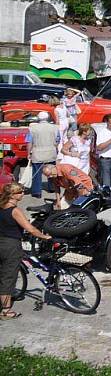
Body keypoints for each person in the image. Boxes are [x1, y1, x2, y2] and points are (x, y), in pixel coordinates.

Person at [0, 182, 52, 319]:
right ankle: (6, 311)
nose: (23, 194)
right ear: (12, 195)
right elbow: (31, 229)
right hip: (11, 245)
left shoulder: (1, 207)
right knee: (9, 277)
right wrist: (45, 237)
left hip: (1, 242)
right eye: (20, 192)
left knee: (2, 273)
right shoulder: (14, 211)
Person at [24, 111, 60, 198]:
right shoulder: (55, 128)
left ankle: (37, 192)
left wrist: (28, 153)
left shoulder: (32, 128)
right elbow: (58, 140)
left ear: (38, 118)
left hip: (37, 153)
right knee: (51, 172)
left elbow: (29, 142)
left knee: (36, 174)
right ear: (48, 118)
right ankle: (52, 188)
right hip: (51, 153)